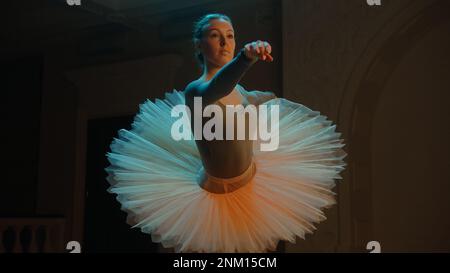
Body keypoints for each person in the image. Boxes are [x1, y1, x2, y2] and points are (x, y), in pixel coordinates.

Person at [105, 13, 347, 253]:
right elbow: (219, 87)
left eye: (230, 36)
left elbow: (239, 96)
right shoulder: (196, 90)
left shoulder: (240, 90)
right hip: (215, 191)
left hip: (253, 180)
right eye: (215, 35)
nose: (225, 42)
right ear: (198, 45)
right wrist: (245, 58)